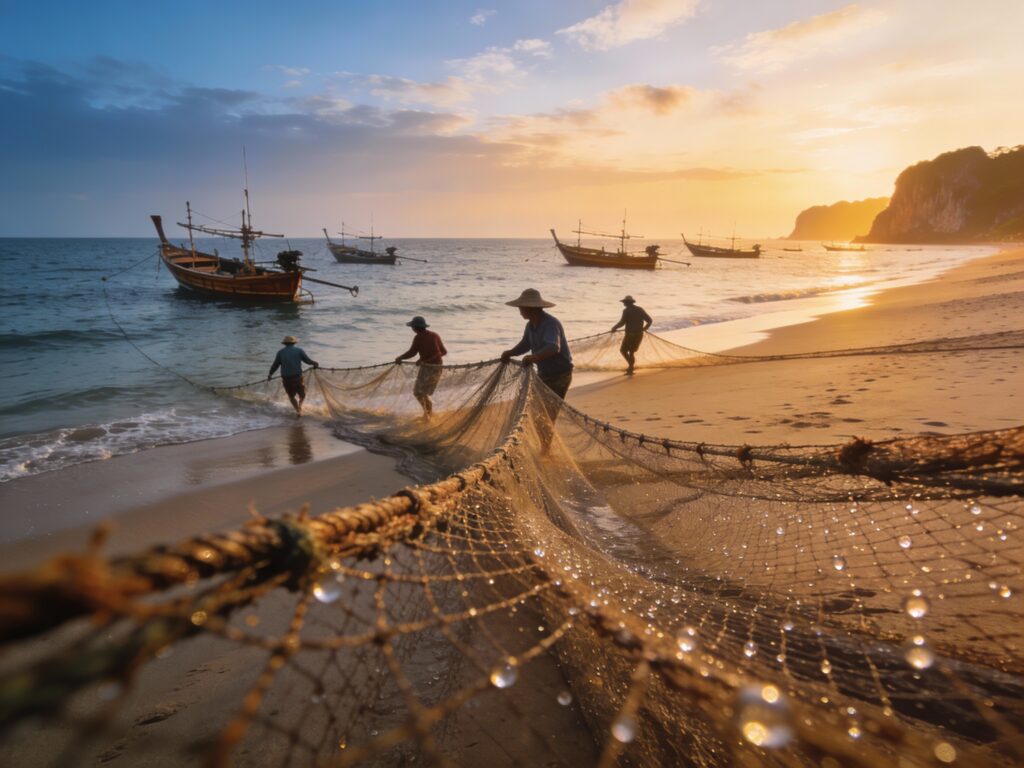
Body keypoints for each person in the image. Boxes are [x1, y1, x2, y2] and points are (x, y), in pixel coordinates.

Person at [500, 288, 573, 451]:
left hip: (560, 375)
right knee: (537, 412)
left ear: (531, 308)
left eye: (521, 307)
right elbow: (525, 344)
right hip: (544, 375)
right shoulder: (530, 325)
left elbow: (553, 347)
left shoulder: (551, 323)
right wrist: (510, 353)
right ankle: (545, 447)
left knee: (547, 413)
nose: (519, 310)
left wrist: (534, 358)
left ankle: (546, 449)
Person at [395, 316, 447, 419]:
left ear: (415, 327)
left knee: (418, 392)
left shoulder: (419, 337)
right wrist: (402, 358)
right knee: (422, 392)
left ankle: (428, 413)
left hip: (429, 367)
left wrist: (400, 358)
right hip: (437, 367)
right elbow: (443, 352)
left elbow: (412, 352)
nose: (412, 328)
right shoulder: (434, 335)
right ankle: (428, 413)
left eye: (412, 327)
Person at [268, 335, 319, 416]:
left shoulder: (280, 352)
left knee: (291, 396)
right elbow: (307, 360)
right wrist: (314, 363)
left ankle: (297, 410)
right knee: (302, 395)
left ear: (285, 344)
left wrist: (270, 374)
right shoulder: (299, 350)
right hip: (297, 377)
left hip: (286, 378)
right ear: (294, 343)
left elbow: (275, 365)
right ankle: (300, 406)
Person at [611, 294, 652, 375]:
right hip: (639, 334)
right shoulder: (640, 309)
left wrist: (614, 328)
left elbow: (622, 322)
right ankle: (631, 367)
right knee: (631, 352)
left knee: (623, 350)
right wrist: (644, 329)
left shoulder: (626, 311)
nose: (623, 304)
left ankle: (631, 367)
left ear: (627, 303)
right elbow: (650, 320)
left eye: (624, 302)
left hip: (630, 335)